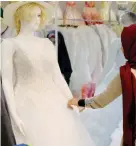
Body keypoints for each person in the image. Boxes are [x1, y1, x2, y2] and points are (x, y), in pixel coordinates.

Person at [1, 2, 95, 146]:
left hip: (56, 103)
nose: (39, 19)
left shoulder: (46, 43)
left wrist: (71, 100)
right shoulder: (9, 44)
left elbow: (57, 76)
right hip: (27, 105)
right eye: (35, 15)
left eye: (40, 15)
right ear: (23, 16)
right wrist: (13, 115)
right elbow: (6, 81)